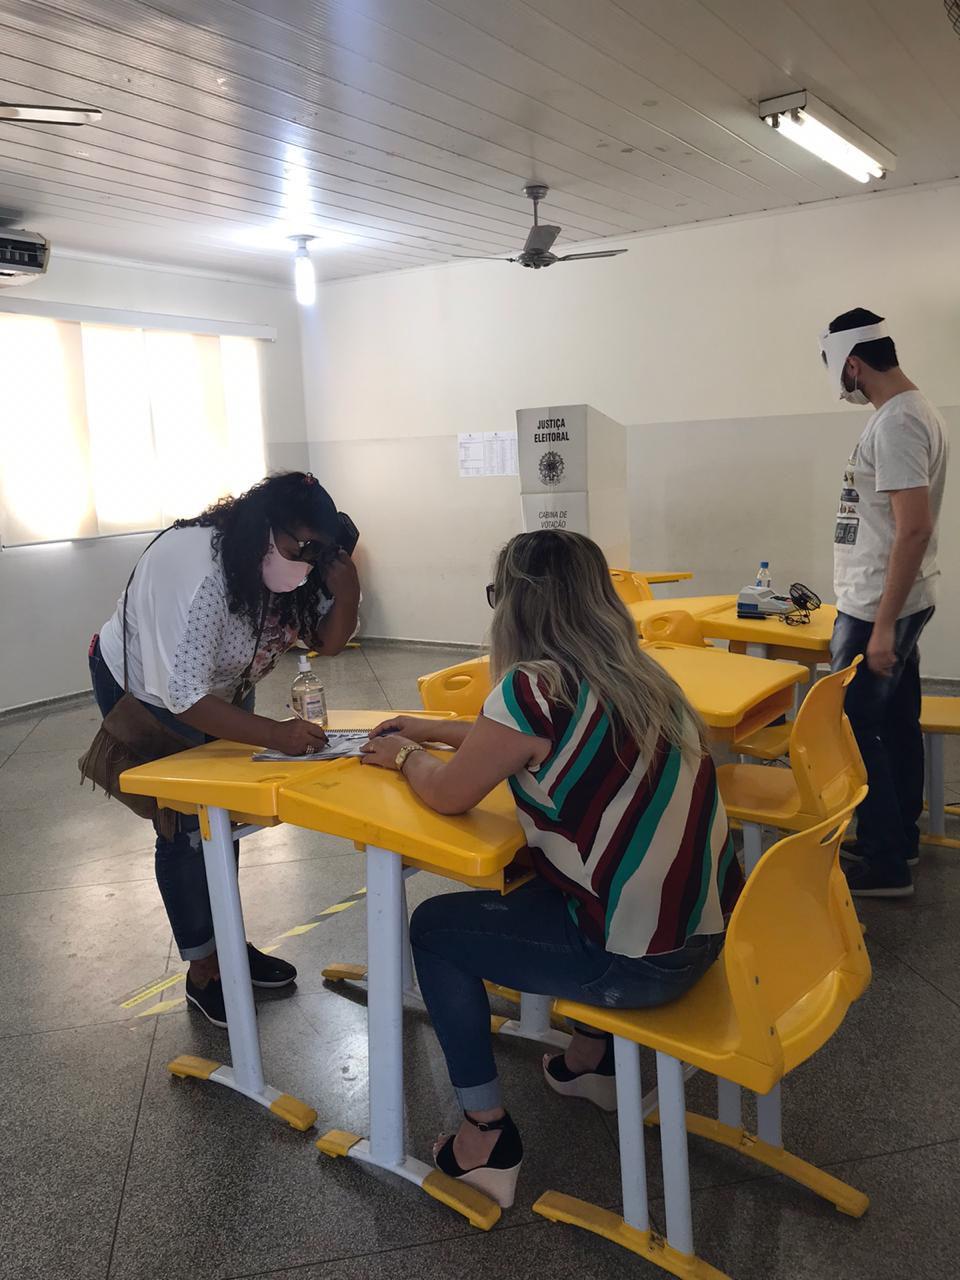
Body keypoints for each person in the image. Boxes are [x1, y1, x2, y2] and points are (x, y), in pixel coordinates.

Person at [360, 531, 742, 1208]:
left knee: (436, 930)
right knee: (559, 875)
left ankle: (486, 1134)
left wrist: (399, 756)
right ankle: (590, 1060)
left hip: (635, 964)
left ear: (514, 605)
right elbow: (520, 741)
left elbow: (450, 795)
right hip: (702, 938)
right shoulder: (644, 678)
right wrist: (432, 730)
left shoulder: (530, 687)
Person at [89, 472, 360, 1025]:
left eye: (317, 553)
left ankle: (229, 944)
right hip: (148, 687)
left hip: (221, 683)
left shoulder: (301, 564)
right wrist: (275, 734)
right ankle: (203, 969)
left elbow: (328, 641)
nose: (306, 562)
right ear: (261, 529)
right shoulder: (198, 573)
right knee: (183, 822)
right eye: (297, 548)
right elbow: (182, 697)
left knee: (221, 815)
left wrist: (348, 585)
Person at [820, 309, 948, 898]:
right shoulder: (911, 412)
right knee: (894, 720)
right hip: (888, 600)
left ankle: (885, 862)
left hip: (878, 606)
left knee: (855, 726)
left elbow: (913, 529)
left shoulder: (897, 423)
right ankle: (899, 839)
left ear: (852, 364)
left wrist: (881, 628)